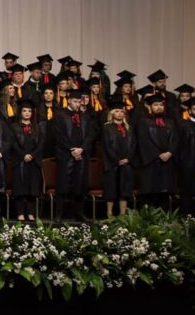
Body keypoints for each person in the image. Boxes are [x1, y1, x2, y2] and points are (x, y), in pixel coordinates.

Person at [51, 89, 95, 221]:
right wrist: (72, 149)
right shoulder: (60, 115)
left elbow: (90, 135)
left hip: (81, 156)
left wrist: (81, 149)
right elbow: (58, 135)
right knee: (63, 185)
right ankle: (59, 214)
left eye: (79, 102)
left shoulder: (85, 116)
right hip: (65, 155)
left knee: (80, 185)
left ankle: (79, 213)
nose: (77, 104)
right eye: (75, 101)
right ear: (69, 100)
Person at [135, 95, 178, 211]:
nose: (159, 107)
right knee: (150, 193)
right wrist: (158, 154)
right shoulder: (143, 122)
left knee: (164, 193)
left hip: (167, 163)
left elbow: (175, 140)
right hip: (151, 162)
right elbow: (143, 141)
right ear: (149, 107)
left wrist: (169, 152)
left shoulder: (170, 122)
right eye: (155, 105)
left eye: (160, 105)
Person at [9, 99, 45, 222]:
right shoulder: (14, 127)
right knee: (20, 188)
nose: (27, 113)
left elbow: (41, 144)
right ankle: (20, 213)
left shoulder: (37, 127)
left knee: (32, 188)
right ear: (21, 112)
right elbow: (13, 143)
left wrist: (32, 155)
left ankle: (30, 213)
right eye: (24, 111)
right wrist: (23, 155)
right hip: (19, 161)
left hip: (33, 161)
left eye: (29, 111)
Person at [101, 103, 136, 217]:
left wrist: (128, 159)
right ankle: (109, 214)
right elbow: (107, 146)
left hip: (126, 163)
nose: (120, 113)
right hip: (112, 163)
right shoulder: (107, 127)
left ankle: (122, 214)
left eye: (122, 111)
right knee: (111, 189)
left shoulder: (129, 128)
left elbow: (134, 145)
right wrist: (116, 160)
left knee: (124, 190)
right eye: (117, 111)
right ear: (112, 113)